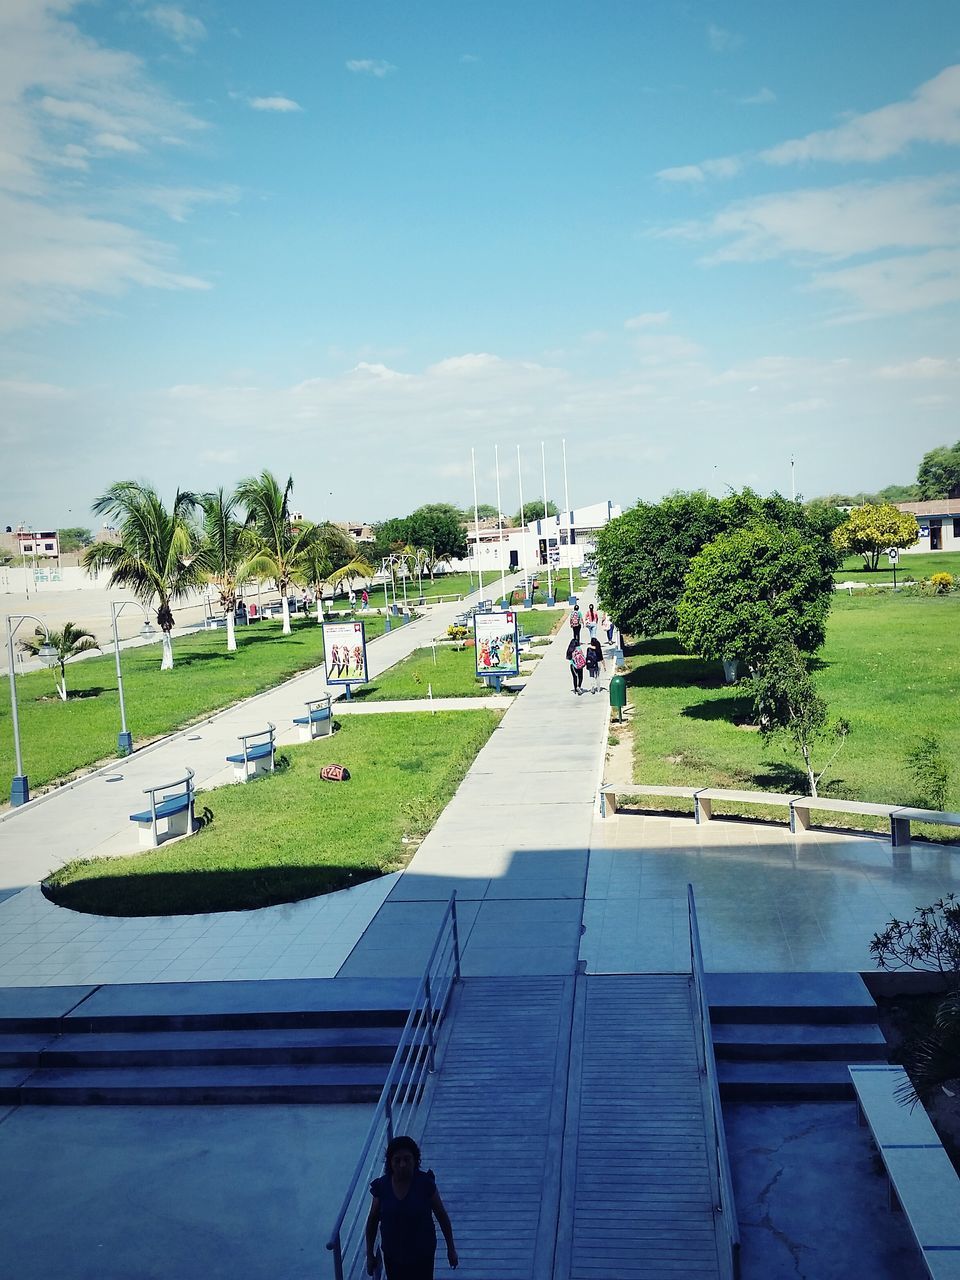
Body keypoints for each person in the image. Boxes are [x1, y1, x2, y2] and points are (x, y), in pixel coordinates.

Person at [366, 1135, 458, 1279]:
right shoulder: (382, 1187)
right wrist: (370, 1254)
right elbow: (372, 1222)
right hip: (393, 1255)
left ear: (415, 1160)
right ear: (390, 1163)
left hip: (422, 1254)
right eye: (397, 1160)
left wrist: (451, 1248)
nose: (402, 1164)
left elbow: (441, 1215)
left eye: (407, 1159)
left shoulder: (425, 1184)